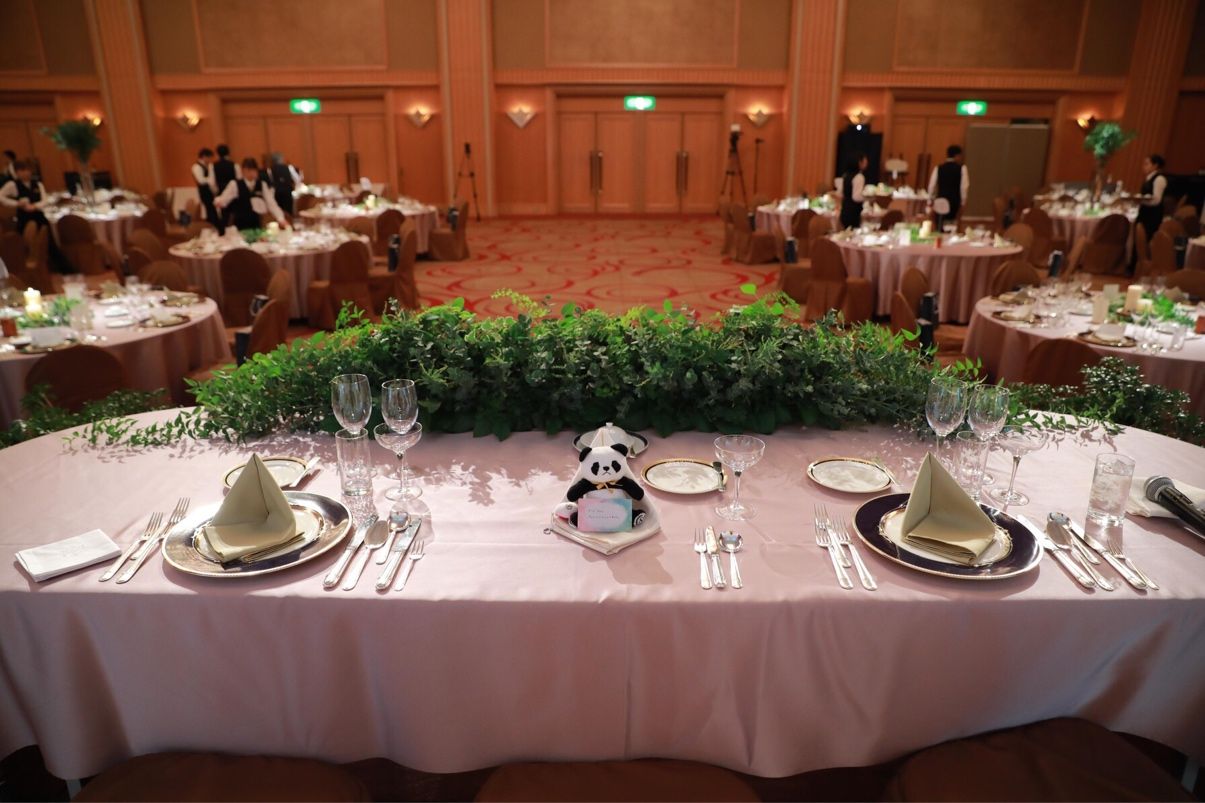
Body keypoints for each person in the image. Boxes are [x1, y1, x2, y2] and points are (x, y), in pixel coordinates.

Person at [213, 157, 289, 231]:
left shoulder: (262, 184)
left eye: (253, 170)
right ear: (243, 170)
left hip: (257, 221)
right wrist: (219, 202)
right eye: (248, 170)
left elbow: (271, 203)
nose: (251, 173)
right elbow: (224, 199)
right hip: (240, 222)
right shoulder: (235, 184)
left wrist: (280, 218)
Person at [928, 145, 970, 230]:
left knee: (939, 225)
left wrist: (930, 199)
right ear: (957, 155)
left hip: (940, 200)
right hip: (954, 202)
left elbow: (932, 185)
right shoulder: (962, 168)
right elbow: (964, 187)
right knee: (952, 226)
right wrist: (963, 202)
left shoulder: (939, 168)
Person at [1136, 154, 1167, 243]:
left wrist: (1140, 200)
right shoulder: (1149, 178)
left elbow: (1156, 200)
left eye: (1147, 164)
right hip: (1145, 212)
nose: (1143, 166)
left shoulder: (1159, 179)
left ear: (1155, 165)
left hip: (1152, 215)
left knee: (1147, 239)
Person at [191, 147, 221, 230]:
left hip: (211, 191)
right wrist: (210, 180)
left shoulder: (208, 166)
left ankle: (214, 227)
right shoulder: (196, 167)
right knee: (210, 211)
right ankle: (211, 227)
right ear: (204, 156)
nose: (210, 160)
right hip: (204, 191)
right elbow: (200, 180)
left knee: (213, 211)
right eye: (209, 157)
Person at [838, 152, 868, 230]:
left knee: (846, 232)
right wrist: (869, 197)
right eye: (864, 161)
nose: (866, 164)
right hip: (854, 211)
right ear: (859, 162)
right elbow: (856, 197)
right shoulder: (859, 177)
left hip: (844, 210)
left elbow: (841, 193)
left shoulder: (845, 175)